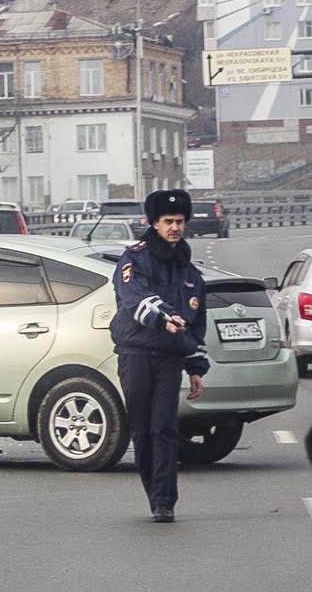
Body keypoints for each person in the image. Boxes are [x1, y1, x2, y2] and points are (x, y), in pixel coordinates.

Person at [111, 189, 208, 523]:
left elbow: (197, 325)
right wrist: (164, 317)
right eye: (168, 221)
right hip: (135, 352)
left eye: (180, 221)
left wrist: (196, 367)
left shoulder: (191, 274)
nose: (175, 227)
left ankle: (164, 501)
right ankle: (153, 488)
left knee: (164, 427)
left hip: (169, 358)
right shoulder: (133, 259)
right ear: (154, 223)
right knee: (141, 428)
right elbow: (133, 298)